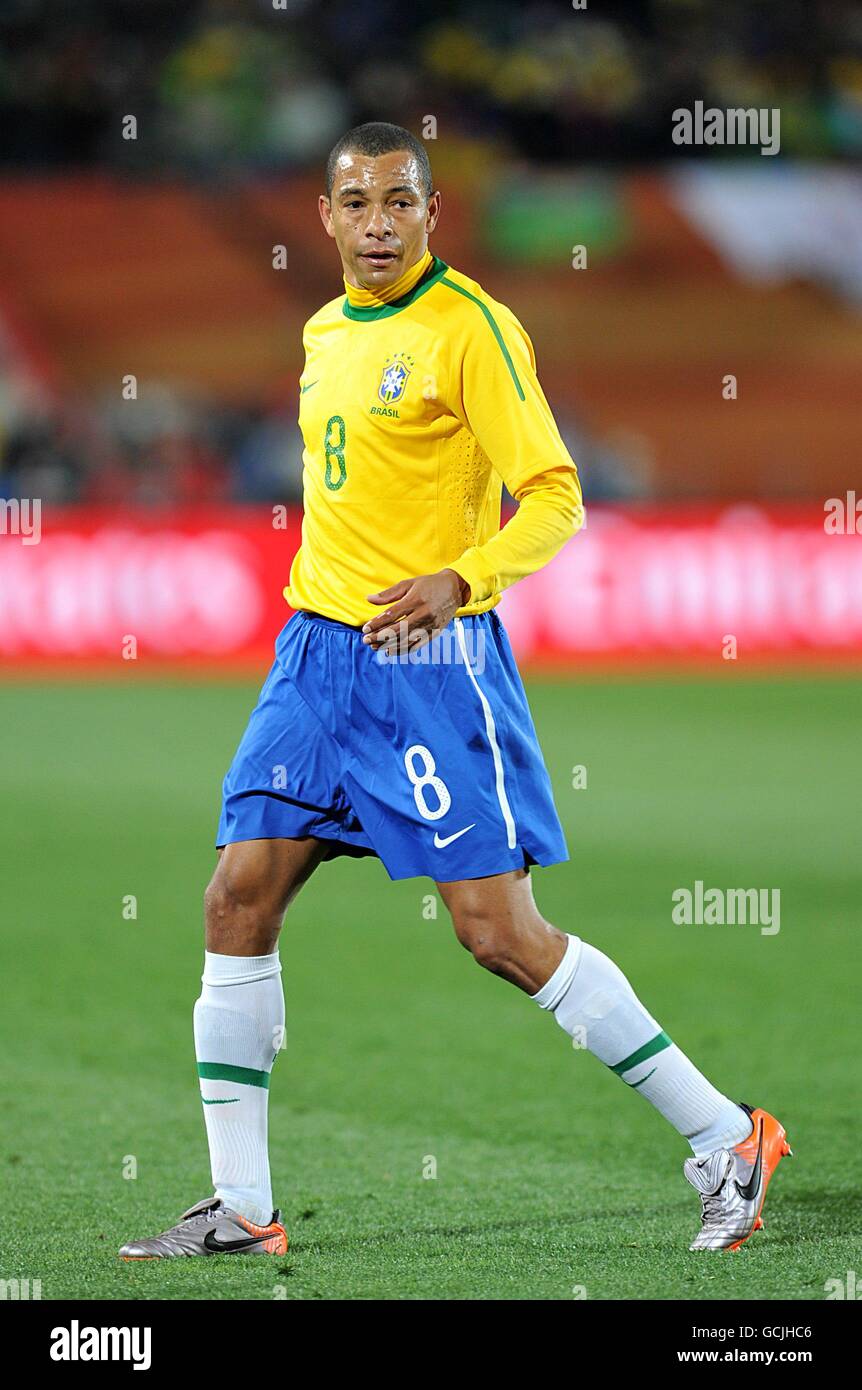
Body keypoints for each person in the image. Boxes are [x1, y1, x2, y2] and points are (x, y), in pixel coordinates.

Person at [120, 123, 790, 1261]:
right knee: (236, 896)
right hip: (314, 659)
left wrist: (461, 578)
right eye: (356, 203)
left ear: (432, 213)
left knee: (496, 932)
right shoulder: (325, 329)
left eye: (399, 202)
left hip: (431, 668)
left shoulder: (472, 329)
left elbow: (557, 495)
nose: (378, 223)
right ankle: (241, 1207)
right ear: (324, 217)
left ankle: (728, 1136)